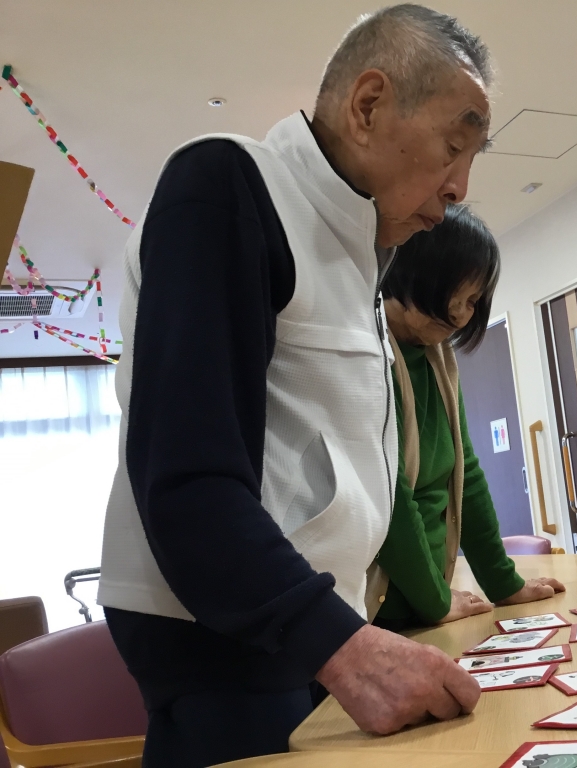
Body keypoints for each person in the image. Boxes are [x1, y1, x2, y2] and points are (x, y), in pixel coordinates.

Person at [96, 5, 494, 765]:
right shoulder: (225, 183)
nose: (459, 188)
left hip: (306, 630)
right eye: (453, 145)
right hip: (228, 639)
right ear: (369, 104)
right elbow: (188, 480)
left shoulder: (362, 256)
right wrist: (341, 644)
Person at [370, 205, 565, 628]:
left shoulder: (439, 358)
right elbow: (388, 498)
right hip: (378, 611)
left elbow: (465, 474)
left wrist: (502, 583)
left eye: (474, 301)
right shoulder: (370, 355)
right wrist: (435, 601)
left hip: (429, 604)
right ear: (417, 271)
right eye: (456, 294)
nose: (462, 314)